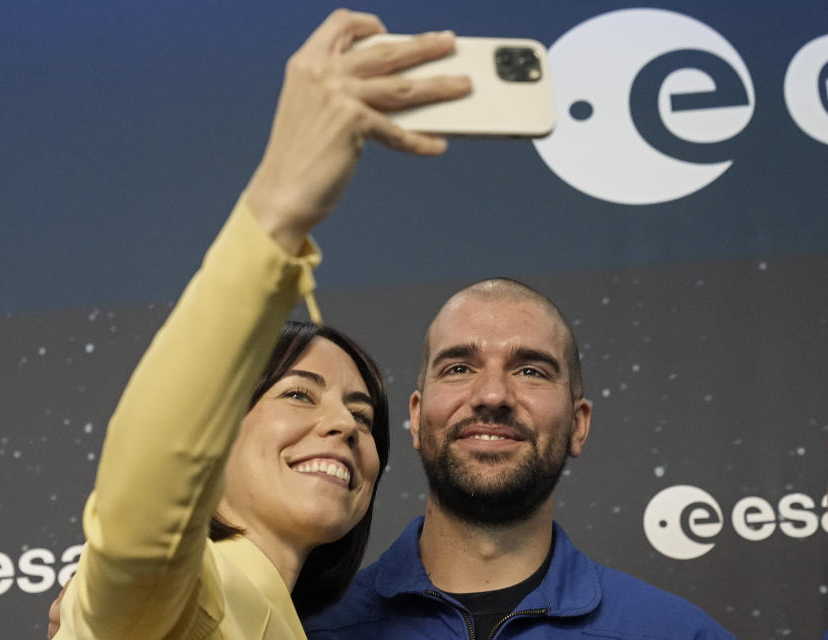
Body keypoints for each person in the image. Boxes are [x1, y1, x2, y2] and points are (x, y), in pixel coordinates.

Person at [50, 9, 471, 640]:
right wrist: (278, 207)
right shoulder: (191, 592)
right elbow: (139, 534)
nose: (343, 427)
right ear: (213, 436)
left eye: (362, 417)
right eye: (298, 393)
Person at [302, 278, 736, 639]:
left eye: (530, 370)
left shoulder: (676, 633)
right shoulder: (303, 631)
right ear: (415, 417)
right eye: (459, 368)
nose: (492, 395)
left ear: (578, 424)